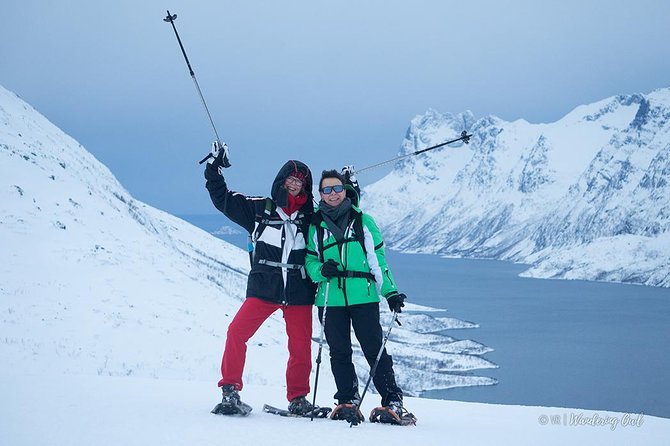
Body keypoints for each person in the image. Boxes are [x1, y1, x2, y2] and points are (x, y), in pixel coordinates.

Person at [204, 142, 318, 416]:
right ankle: (230, 391)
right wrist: (214, 168)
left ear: (305, 187)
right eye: (290, 179)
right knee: (236, 333)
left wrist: (350, 188)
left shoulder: (312, 218)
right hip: (264, 288)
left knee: (300, 347)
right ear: (281, 181)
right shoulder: (259, 210)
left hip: (299, 290)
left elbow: (342, 211)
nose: (294, 185)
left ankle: (298, 398)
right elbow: (224, 200)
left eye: (300, 182)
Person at [304, 168, 416, 425]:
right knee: (339, 351)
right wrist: (321, 270)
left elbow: (378, 261)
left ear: (346, 191)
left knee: (373, 348)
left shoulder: (363, 221)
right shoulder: (316, 226)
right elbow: (310, 261)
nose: (332, 194)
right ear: (320, 194)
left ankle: (392, 401)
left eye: (337, 189)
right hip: (330, 298)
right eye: (327, 190)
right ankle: (347, 399)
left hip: (363, 296)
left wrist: (390, 292)